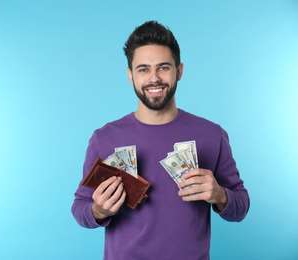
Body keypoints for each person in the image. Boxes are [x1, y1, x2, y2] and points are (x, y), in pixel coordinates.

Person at [71, 20, 250, 260]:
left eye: (163, 67)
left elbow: (240, 207)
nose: (154, 78)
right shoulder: (104, 138)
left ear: (179, 71)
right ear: (130, 76)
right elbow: (80, 207)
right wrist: (98, 210)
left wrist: (219, 194)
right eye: (143, 69)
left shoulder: (212, 135)